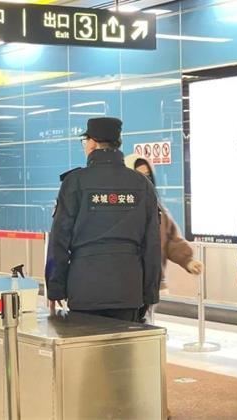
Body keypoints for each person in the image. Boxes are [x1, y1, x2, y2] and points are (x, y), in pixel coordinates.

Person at [46, 117, 161, 322]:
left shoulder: (74, 182)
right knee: (125, 343)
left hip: (84, 289)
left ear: (92, 143)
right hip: (128, 289)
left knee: (86, 343)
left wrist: (55, 289)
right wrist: (150, 293)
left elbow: (59, 241)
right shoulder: (142, 184)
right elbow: (152, 244)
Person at [125, 154, 203, 323]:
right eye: (139, 176)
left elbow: (170, 240)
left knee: (145, 326)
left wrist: (188, 261)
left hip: (150, 284)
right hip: (125, 284)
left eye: (148, 176)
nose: (145, 181)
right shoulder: (119, 209)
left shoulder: (157, 209)